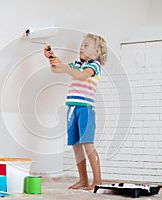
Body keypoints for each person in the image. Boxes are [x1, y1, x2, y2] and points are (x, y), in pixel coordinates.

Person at [44, 33, 108, 190]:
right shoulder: (77, 64)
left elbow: (80, 76)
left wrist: (63, 66)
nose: (81, 47)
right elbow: (56, 69)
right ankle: (84, 180)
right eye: (82, 44)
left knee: (88, 145)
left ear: (98, 51)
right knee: (76, 146)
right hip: (72, 109)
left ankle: (97, 181)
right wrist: (52, 58)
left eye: (86, 45)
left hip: (85, 109)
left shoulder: (93, 66)